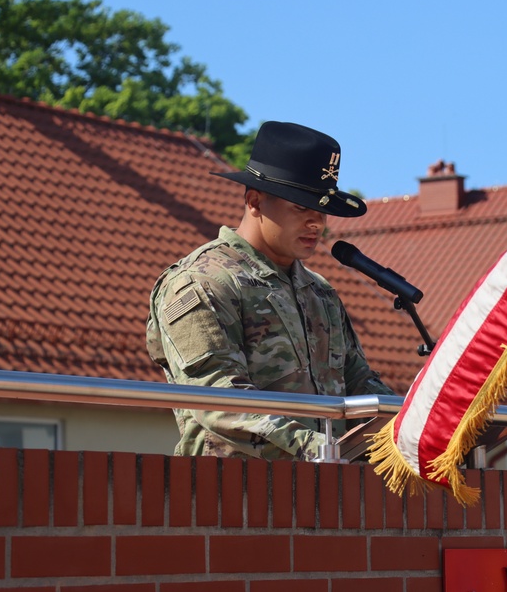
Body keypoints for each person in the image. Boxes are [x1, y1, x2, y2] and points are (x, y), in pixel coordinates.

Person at [146, 121, 395, 460]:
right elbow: (217, 398)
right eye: (301, 207)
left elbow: (359, 382)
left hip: (327, 491)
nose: (316, 223)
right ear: (255, 202)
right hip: (230, 497)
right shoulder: (202, 281)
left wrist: (410, 426)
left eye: (322, 211)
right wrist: (316, 448)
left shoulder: (320, 292)